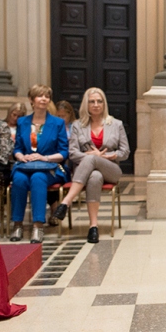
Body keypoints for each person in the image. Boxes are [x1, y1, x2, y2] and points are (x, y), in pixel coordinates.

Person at [52, 87, 130, 243]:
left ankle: (66, 202)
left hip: (111, 168)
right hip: (87, 172)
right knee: (94, 176)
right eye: (92, 101)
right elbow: (73, 153)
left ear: (104, 104)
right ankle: (93, 227)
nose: (96, 105)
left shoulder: (116, 124)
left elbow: (125, 151)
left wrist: (108, 156)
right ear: (86, 105)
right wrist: (90, 156)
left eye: (99, 101)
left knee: (93, 159)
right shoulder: (77, 125)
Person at [9, 85, 69, 244]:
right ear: (31, 100)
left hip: (50, 167)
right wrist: (21, 156)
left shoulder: (57, 123)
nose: (44, 99)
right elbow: (17, 148)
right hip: (25, 165)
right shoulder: (22, 122)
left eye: (47, 96)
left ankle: (37, 226)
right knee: (20, 180)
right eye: (39, 96)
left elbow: (64, 152)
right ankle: (17, 225)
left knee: (38, 178)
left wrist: (45, 158)